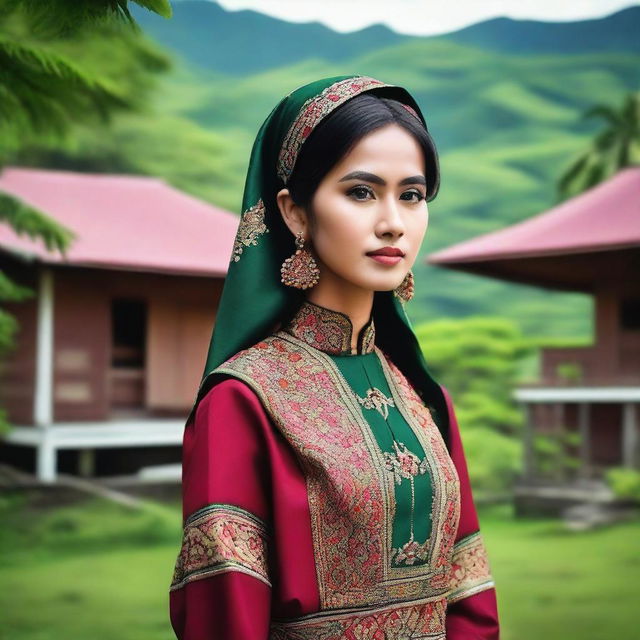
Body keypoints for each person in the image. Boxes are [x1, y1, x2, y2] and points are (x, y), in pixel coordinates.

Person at [168, 75, 500, 639]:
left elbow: (468, 600)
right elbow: (225, 614)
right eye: (361, 192)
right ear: (295, 212)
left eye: (412, 195)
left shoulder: (424, 398)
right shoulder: (243, 400)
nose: (393, 221)